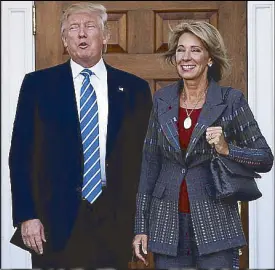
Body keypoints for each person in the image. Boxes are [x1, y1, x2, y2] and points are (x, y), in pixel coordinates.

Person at [9, 2, 152, 268]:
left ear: (106, 36)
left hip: (115, 220)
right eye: (73, 28)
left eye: (89, 27)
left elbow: (147, 161)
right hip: (54, 221)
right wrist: (27, 215)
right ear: (65, 39)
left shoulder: (135, 89)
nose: (82, 34)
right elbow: (20, 156)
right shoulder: (37, 86)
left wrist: (142, 223)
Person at [132, 21, 274, 269]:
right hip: (167, 226)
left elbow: (264, 158)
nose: (186, 57)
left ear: (210, 58)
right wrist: (141, 227)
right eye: (180, 50)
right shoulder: (162, 100)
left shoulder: (231, 101)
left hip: (216, 225)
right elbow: (150, 164)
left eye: (195, 50)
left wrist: (227, 148)